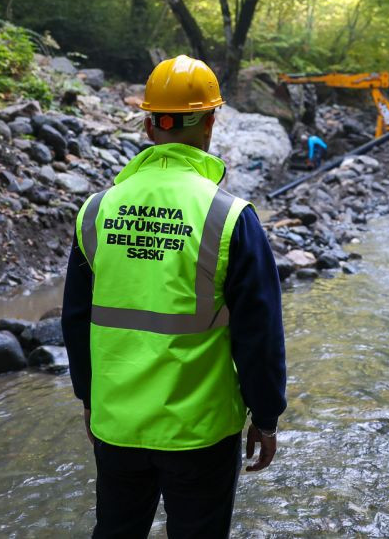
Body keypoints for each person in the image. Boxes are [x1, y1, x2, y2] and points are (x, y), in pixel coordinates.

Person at [61, 54, 287, 539]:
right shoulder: (229, 217)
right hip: (199, 431)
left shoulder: (96, 211)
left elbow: (76, 321)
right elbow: (259, 332)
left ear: (148, 126)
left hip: (117, 422)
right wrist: (265, 417)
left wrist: (88, 399)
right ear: (210, 123)